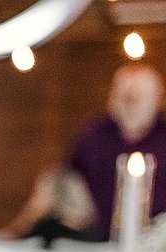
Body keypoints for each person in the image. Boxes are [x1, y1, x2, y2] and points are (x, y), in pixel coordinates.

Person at [64, 62, 166, 241]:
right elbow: (68, 178)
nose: (130, 101)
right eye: (125, 95)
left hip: (157, 245)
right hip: (96, 241)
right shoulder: (94, 133)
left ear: (157, 97)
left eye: (137, 97)